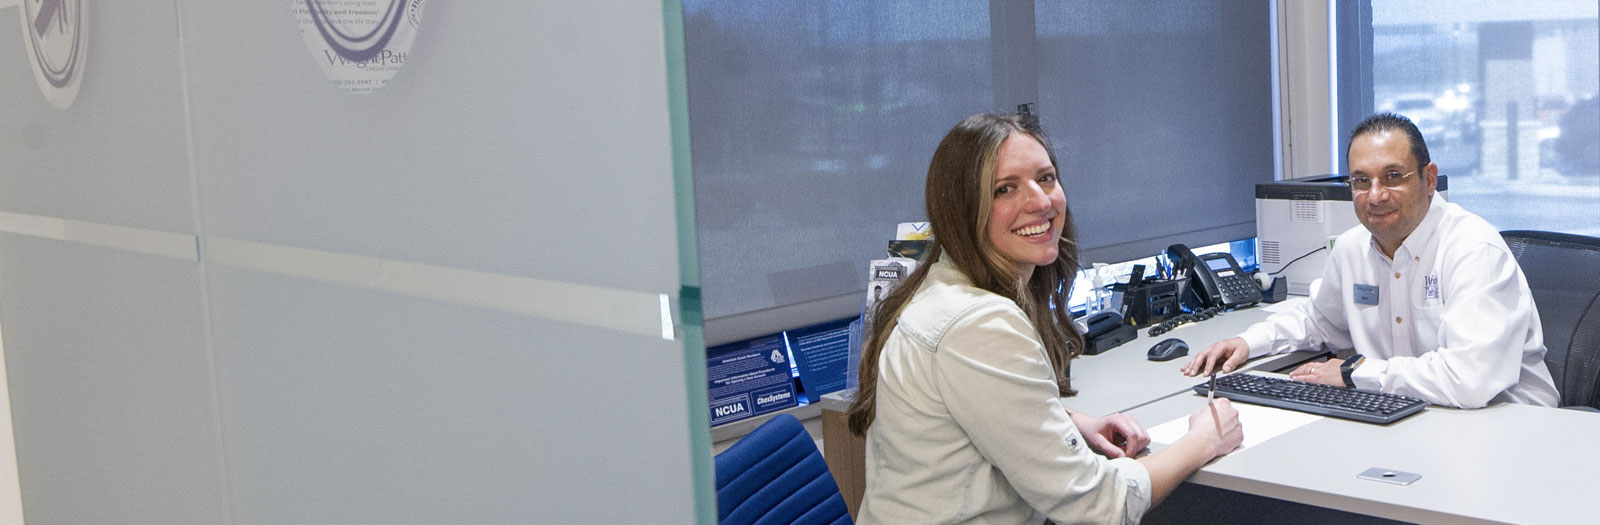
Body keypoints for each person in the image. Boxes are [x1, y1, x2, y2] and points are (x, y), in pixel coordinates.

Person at [848, 113, 1243, 524]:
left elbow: (975, 406)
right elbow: (1099, 506)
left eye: (1046, 178)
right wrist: (1203, 441)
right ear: (961, 210)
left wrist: (1070, 423)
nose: (1040, 201)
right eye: (1005, 189)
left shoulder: (940, 287)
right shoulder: (979, 324)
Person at [1182, 113, 1558, 409]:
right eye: (1361, 181)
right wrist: (1249, 342)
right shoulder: (1351, 249)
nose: (1375, 195)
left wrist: (1354, 372)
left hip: (1512, 429)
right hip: (1413, 417)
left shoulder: (1473, 250)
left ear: (1429, 179)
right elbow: (1318, 320)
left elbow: (1469, 380)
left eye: (1393, 176)